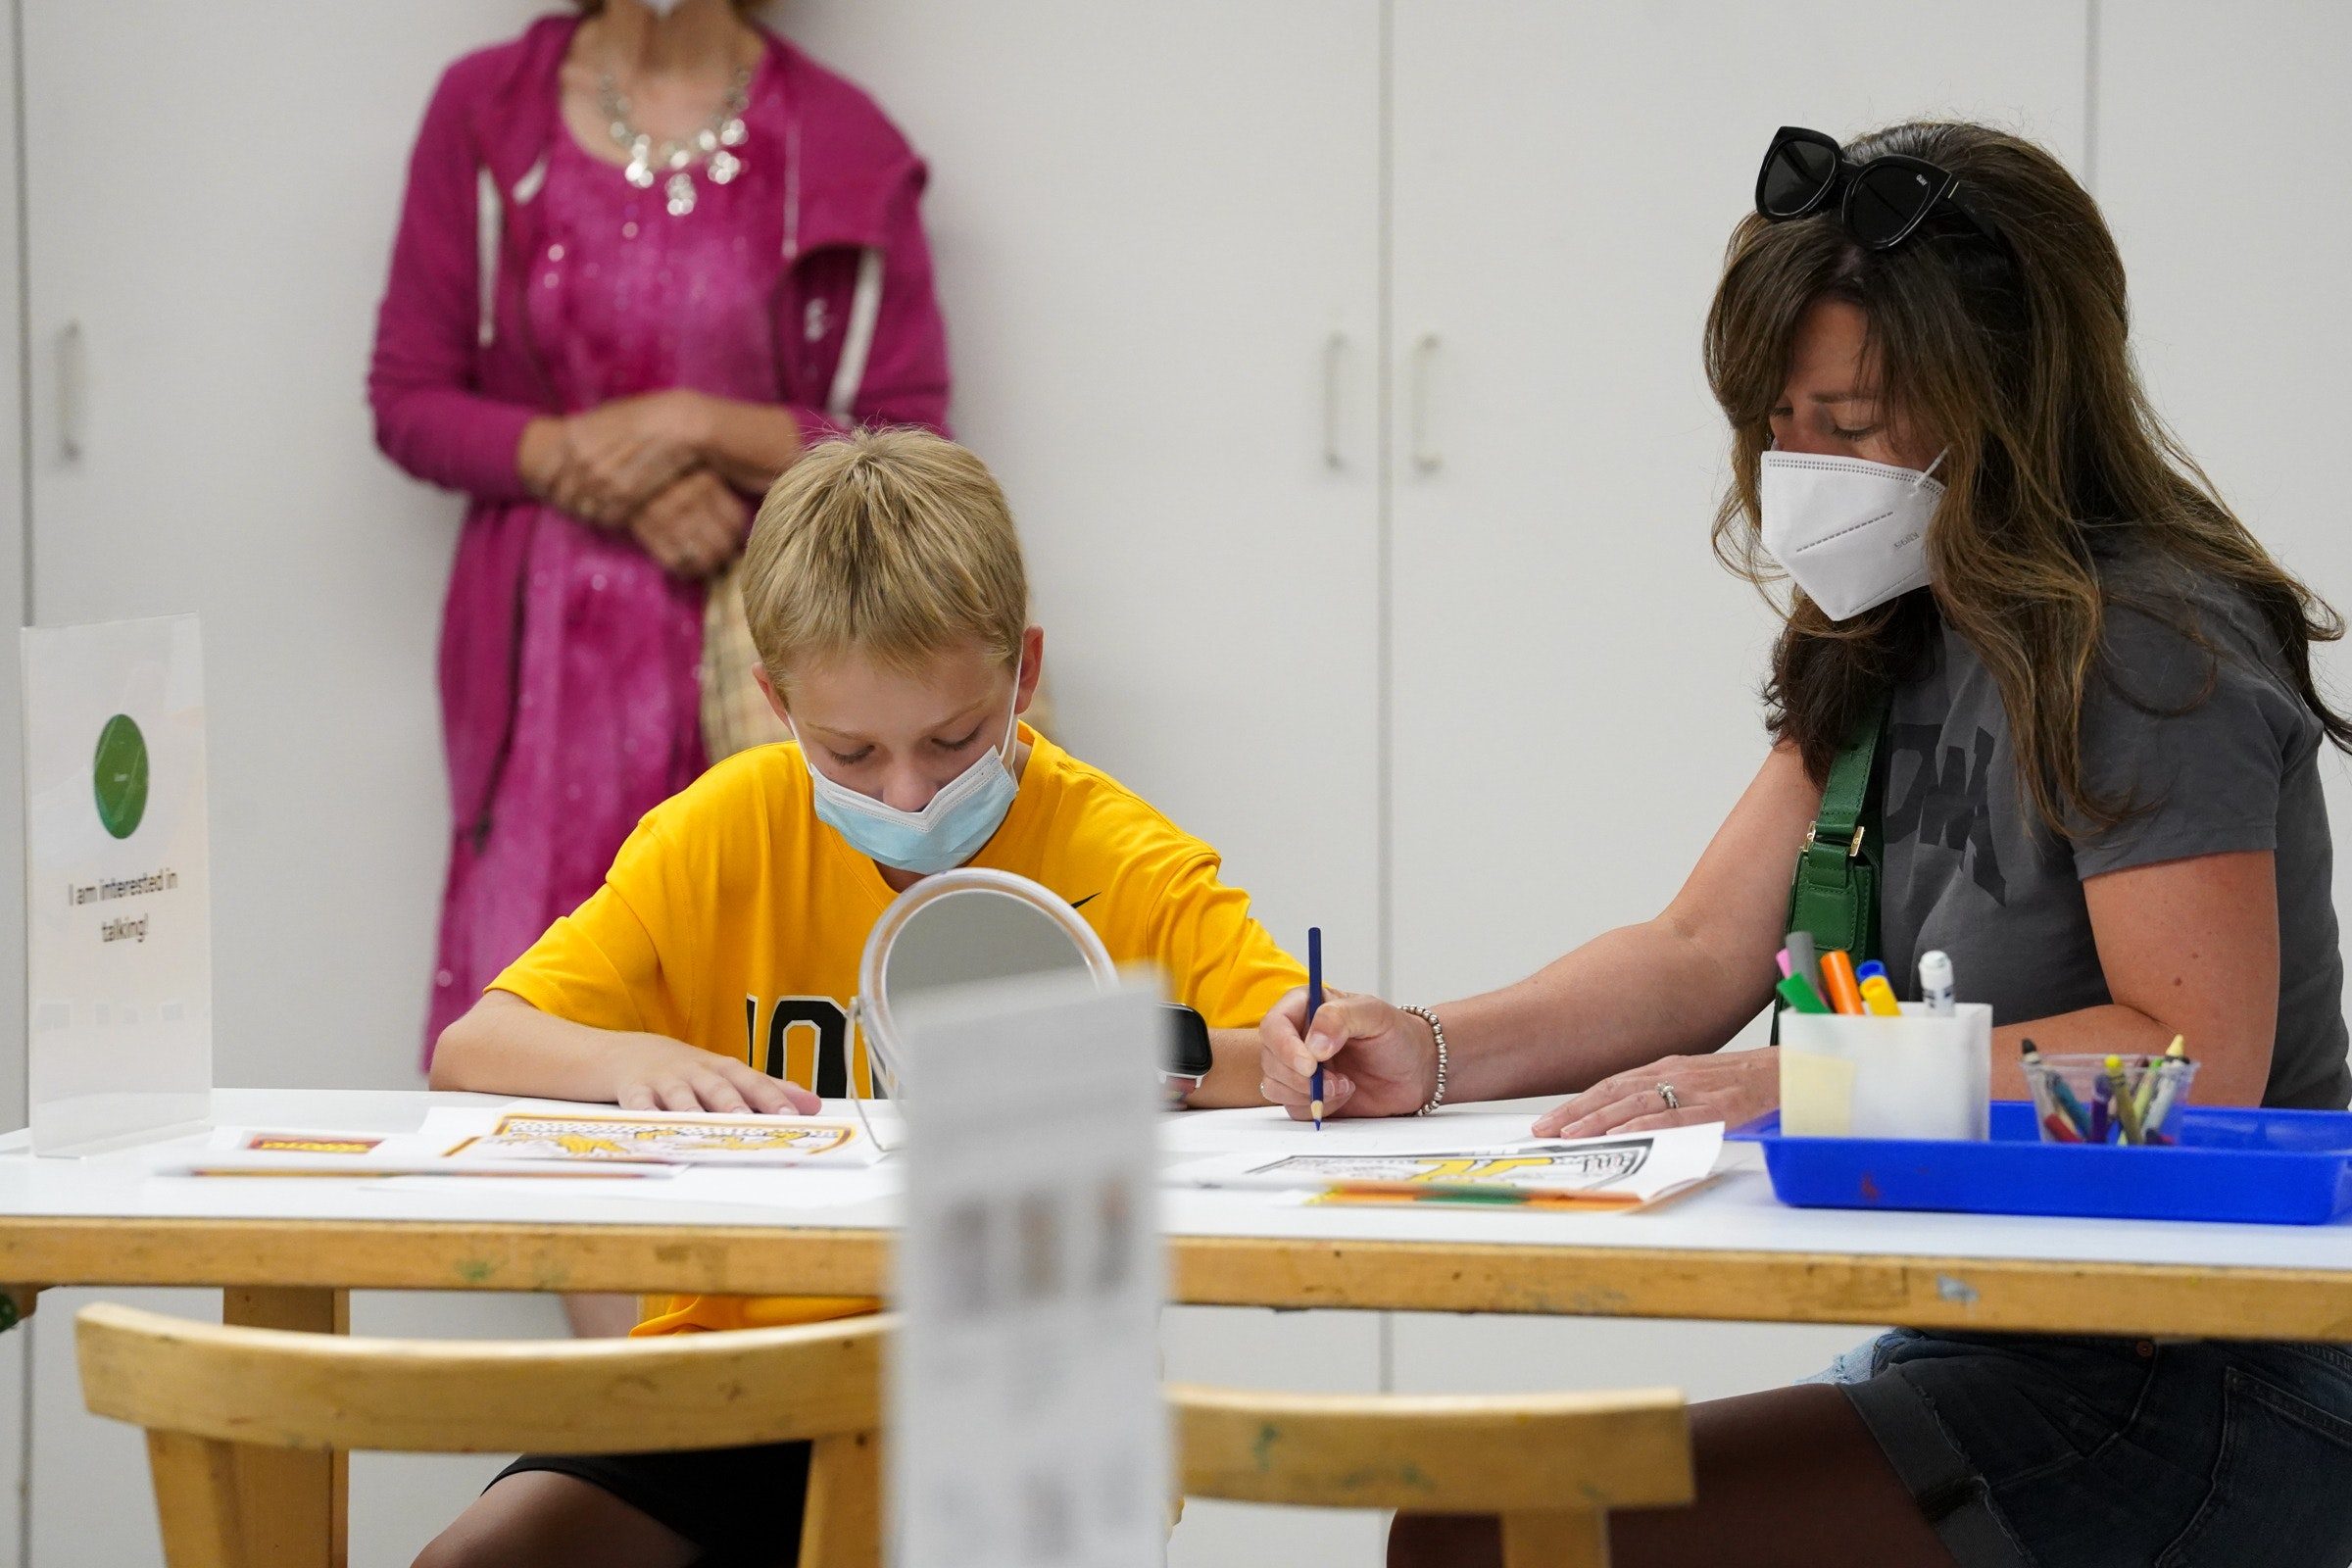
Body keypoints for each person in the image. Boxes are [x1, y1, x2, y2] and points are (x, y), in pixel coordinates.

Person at [1264, 122, 2352, 1568]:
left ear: (2011, 402)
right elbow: (1698, 951)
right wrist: (1429, 1046)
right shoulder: (1891, 624)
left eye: (1848, 423)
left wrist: (1808, 1080)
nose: (1798, 471)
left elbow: (2184, 1058)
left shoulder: (2148, 645)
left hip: (2209, 1381)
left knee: (1487, 1544)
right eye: (1779, 423)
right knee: (1470, 1530)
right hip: (2000, 1337)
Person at [415, 429, 1301, 1568]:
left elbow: (1297, 1059)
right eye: (851, 753)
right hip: (733, 1379)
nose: (910, 791)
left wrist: (1109, 1053)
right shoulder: (720, 832)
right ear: (775, 699)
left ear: (1024, 673)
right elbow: (475, 1046)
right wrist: (625, 1059)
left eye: (953, 739)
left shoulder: (1127, 859)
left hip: (1019, 1396)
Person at [368, 0, 950, 1072]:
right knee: (537, 1026)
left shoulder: (838, 140)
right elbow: (408, 397)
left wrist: (695, 428)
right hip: (544, 680)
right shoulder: (488, 111)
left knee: (747, 998)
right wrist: (589, 464)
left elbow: (909, 436)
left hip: (756, 652)